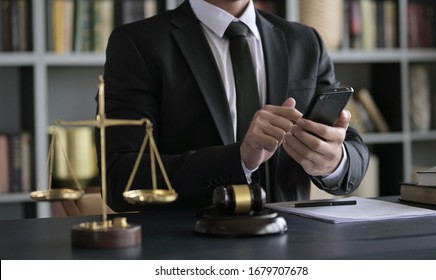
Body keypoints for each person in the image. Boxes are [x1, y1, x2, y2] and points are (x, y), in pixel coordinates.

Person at [97, 0, 369, 212]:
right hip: (188, 251)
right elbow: (120, 178)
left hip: (293, 248)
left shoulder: (306, 42)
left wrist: (335, 161)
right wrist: (238, 159)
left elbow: (353, 150)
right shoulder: (137, 44)